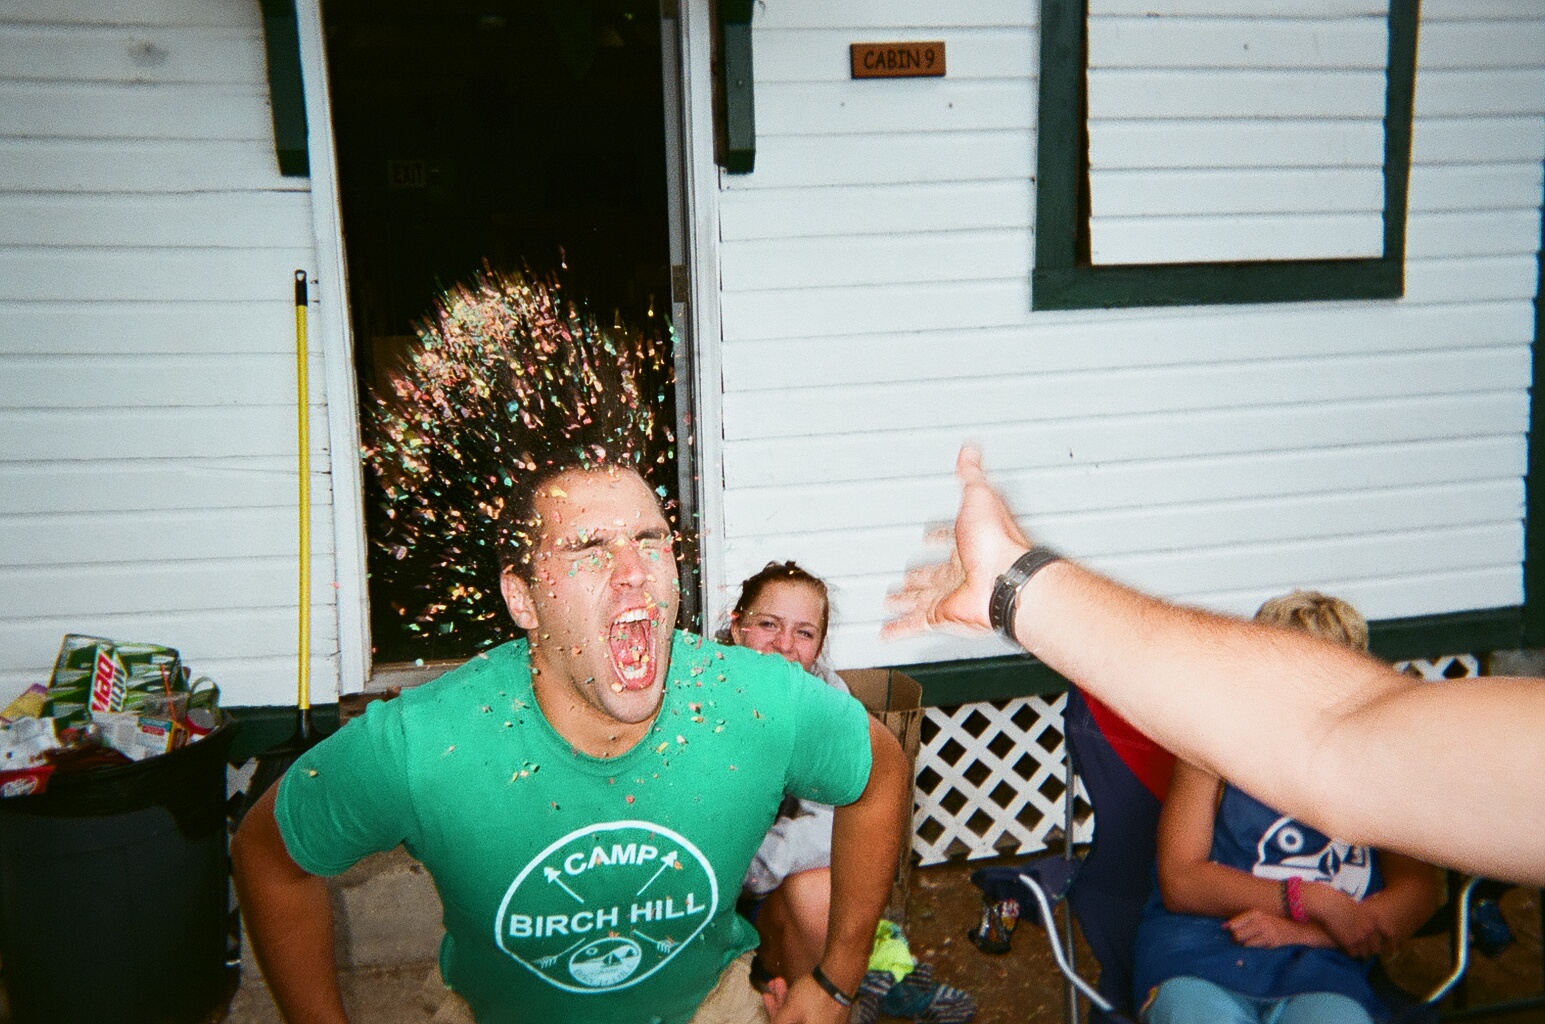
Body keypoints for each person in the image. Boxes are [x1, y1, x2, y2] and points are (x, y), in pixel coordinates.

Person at [233, 458, 910, 1024]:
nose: (632, 571)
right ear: (522, 599)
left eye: (650, 540)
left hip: (708, 1007)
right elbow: (268, 856)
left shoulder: (758, 703)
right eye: (589, 548)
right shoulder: (426, 742)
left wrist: (837, 979)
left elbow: (879, 775)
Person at [883, 445, 1545, 887]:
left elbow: (1335, 739)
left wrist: (1018, 585)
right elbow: (1333, 740)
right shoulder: (1220, 762)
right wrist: (1014, 584)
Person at [1134, 590, 1442, 1024]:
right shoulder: (1212, 743)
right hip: (1201, 951)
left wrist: (1311, 932)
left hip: (1320, 965)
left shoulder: (1381, 761)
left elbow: (1418, 892)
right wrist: (1309, 899)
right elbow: (1181, 882)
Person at [721, 561, 845, 986]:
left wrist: (752, 871)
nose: (785, 645)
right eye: (769, 624)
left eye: (804, 633)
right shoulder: (702, 692)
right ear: (737, 628)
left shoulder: (827, 701)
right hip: (691, 893)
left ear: (820, 645)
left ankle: (815, 997)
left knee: (819, 892)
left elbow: (833, 825)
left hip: (756, 885)